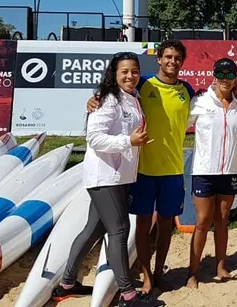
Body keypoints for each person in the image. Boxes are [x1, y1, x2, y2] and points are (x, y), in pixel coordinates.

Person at [87, 40, 193, 293]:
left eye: (177, 58)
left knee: (166, 225)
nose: (172, 62)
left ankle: (159, 273)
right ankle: (145, 276)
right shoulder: (141, 84)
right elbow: (111, 95)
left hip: (173, 169)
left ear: (182, 61)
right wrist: (92, 100)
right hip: (143, 169)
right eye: (167, 57)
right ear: (159, 59)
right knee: (143, 225)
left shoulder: (187, 90)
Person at [53, 52, 151, 306]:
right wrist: (127, 141)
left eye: (134, 71)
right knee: (119, 231)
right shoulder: (107, 99)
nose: (130, 76)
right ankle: (128, 295)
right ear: (114, 74)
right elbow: (94, 138)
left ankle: (67, 283)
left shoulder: (133, 96)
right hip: (105, 176)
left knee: (93, 229)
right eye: (124, 72)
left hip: (119, 176)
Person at [186, 58, 237, 289]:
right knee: (202, 221)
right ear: (214, 76)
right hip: (204, 170)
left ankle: (221, 266)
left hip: (230, 171)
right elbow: (178, 123)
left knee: (222, 220)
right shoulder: (200, 102)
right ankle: (193, 272)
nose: (225, 79)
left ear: (235, 77)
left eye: (229, 74)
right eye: (220, 74)